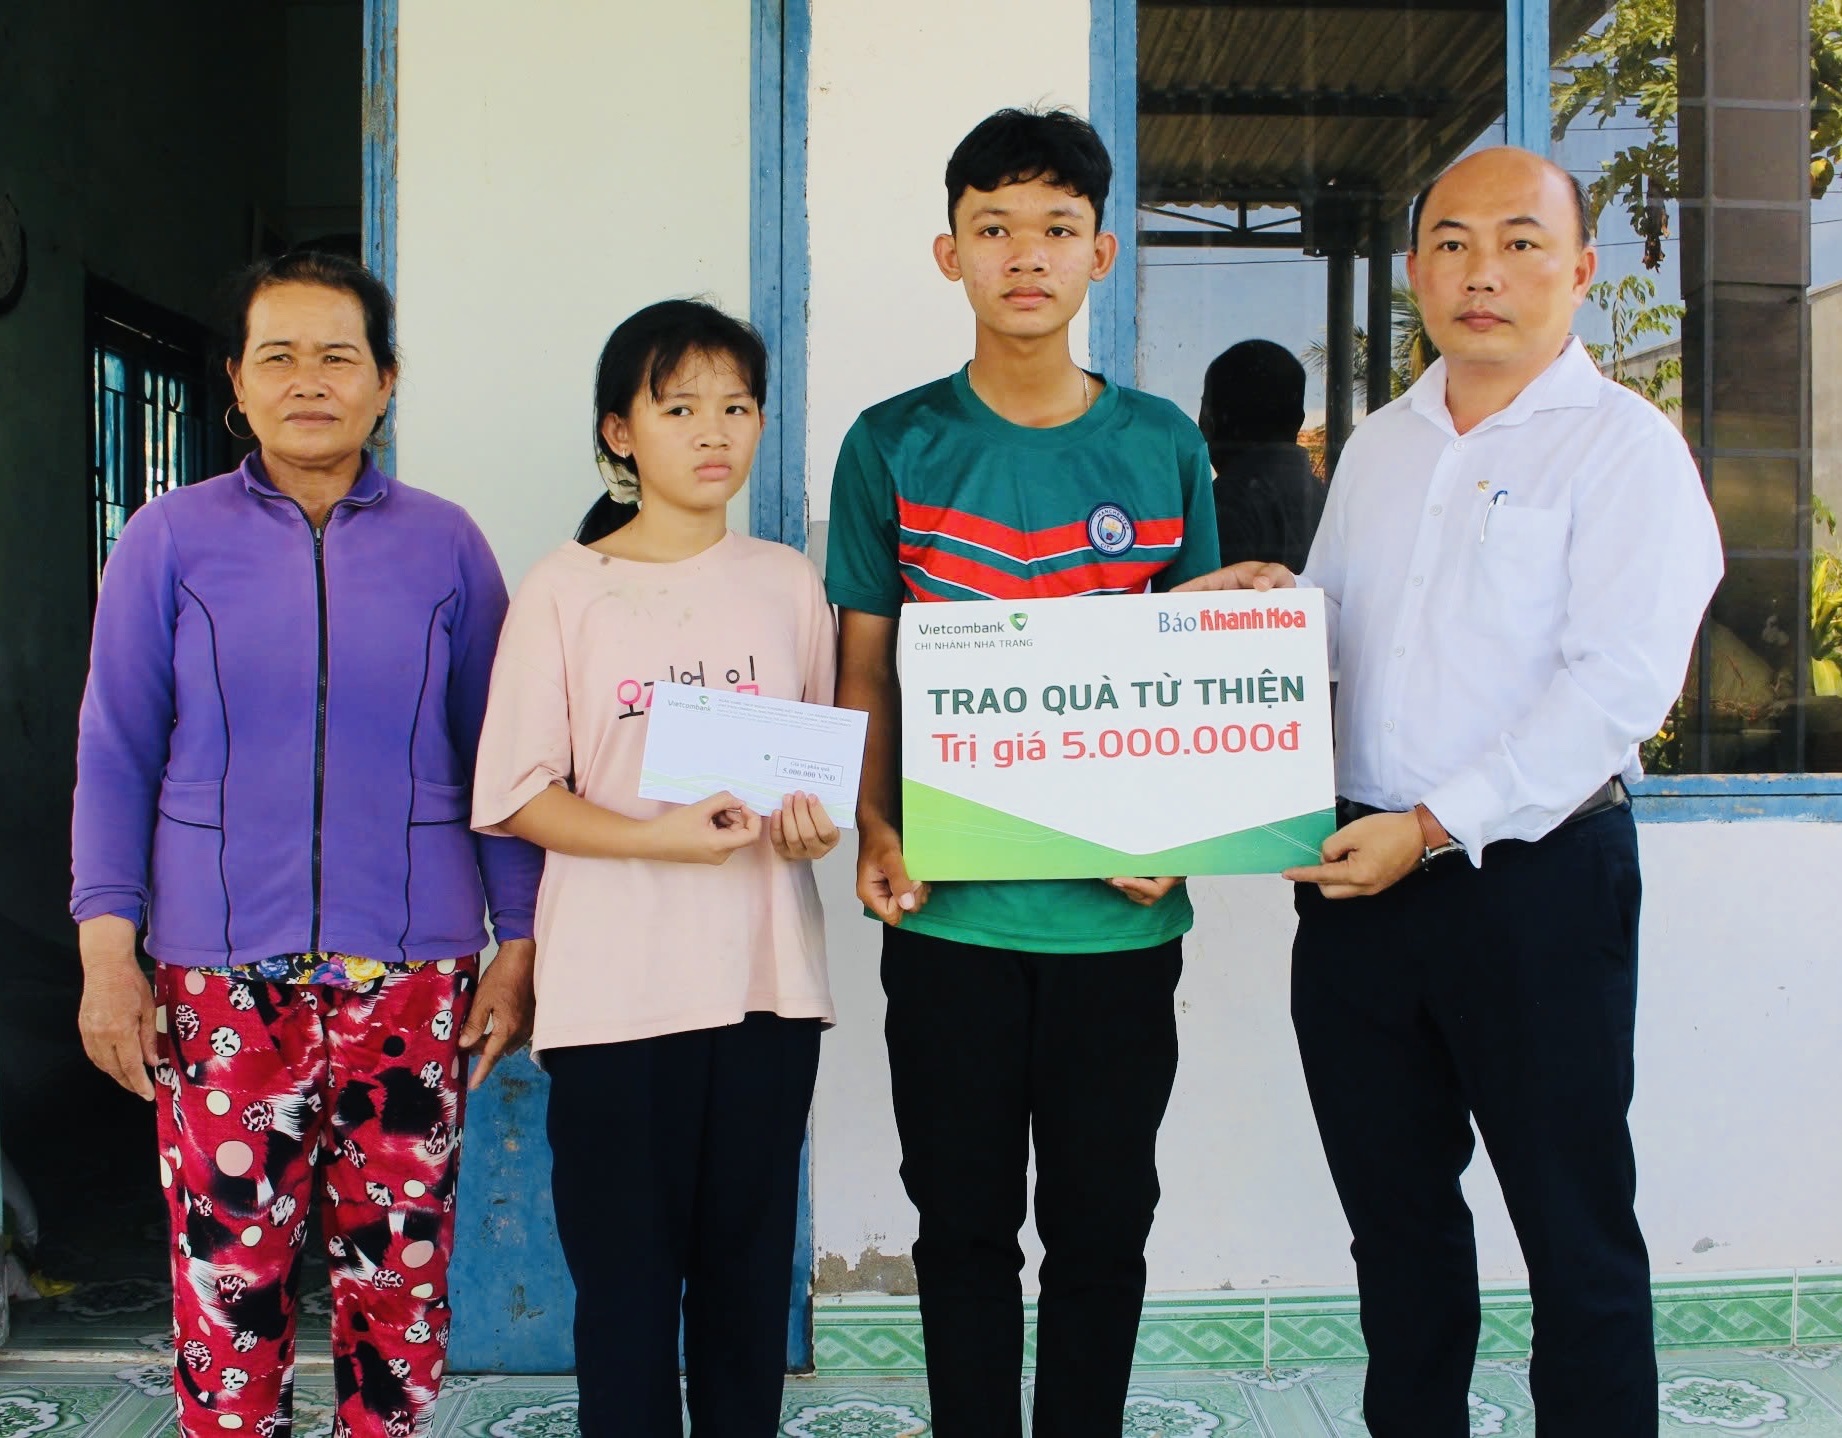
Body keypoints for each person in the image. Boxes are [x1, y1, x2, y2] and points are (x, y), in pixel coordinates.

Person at [1185, 147, 1721, 1437]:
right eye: (1453, 242)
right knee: (1399, 1231)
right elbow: (1350, 643)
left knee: (1574, 1232)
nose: (1484, 272)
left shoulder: (1625, 452)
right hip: (1360, 888)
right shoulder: (1380, 442)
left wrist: (1431, 829)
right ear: (1418, 267)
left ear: (1582, 270)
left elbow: (1613, 693)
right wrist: (1244, 628)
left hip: (1530, 885)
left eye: (1522, 242)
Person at [70, 250, 543, 1438]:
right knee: (231, 1282)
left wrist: (520, 938)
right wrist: (104, 953)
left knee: (398, 1273)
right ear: (235, 382)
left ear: (386, 381)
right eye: (277, 355)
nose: (309, 381)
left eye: (339, 355)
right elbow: (117, 750)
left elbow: (502, 758)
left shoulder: (446, 547)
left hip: (414, 971)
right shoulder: (169, 542)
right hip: (217, 976)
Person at [825, 108, 1221, 1435]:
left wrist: (1183, 833)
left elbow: (1196, 679)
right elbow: (865, 666)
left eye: (1054, 228)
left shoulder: (1164, 445)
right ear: (949, 254)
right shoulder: (893, 443)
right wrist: (871, 820)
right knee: (961, 1227)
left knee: (1104, 1227)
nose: (1024, 256)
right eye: (992, 228)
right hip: (951, 918)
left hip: (1118, 923)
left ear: (1100, 253)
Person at [470, 299, 838, 1438]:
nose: (713, 431)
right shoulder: (565, 588)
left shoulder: (784, 580)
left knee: (743, 1292)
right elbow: (517, 794)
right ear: (621, 432)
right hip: (616, 994)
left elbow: (810, 763)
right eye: (679, 407)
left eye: (735, 406)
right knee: (626, 1302)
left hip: (765, 986)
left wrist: (810, 824)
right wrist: (659, 836)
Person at [1197, 339, 1325, 573]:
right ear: (1299, 419)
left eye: (1205, 408)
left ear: (1211, 420)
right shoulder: (1331, 505)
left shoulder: (1215, 510)